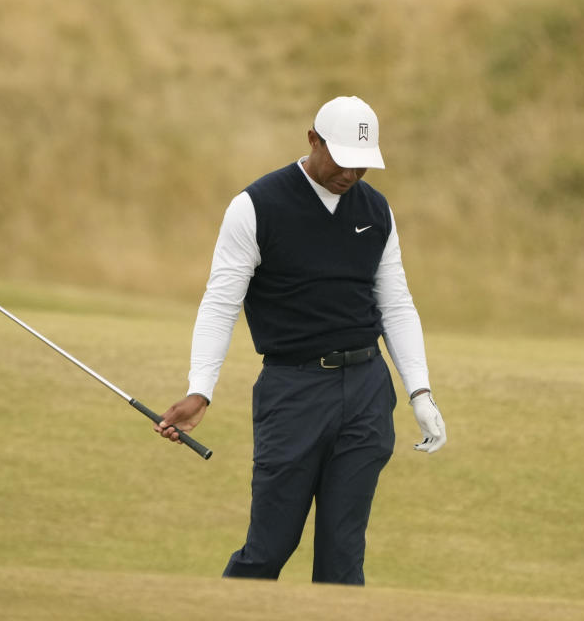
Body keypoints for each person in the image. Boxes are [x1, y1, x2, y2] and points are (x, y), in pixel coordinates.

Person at [155, 95, 446, 586]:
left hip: (367, 392)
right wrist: (200, 387)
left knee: (342, 560)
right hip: (293, 391)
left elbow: (396, 304)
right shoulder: (256, 206)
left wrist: (420, 391)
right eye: (342, 160)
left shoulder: (376, 209)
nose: (351, 175)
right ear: (313, 139)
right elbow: (220, 303)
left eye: (362, 165)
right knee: (268, 549)